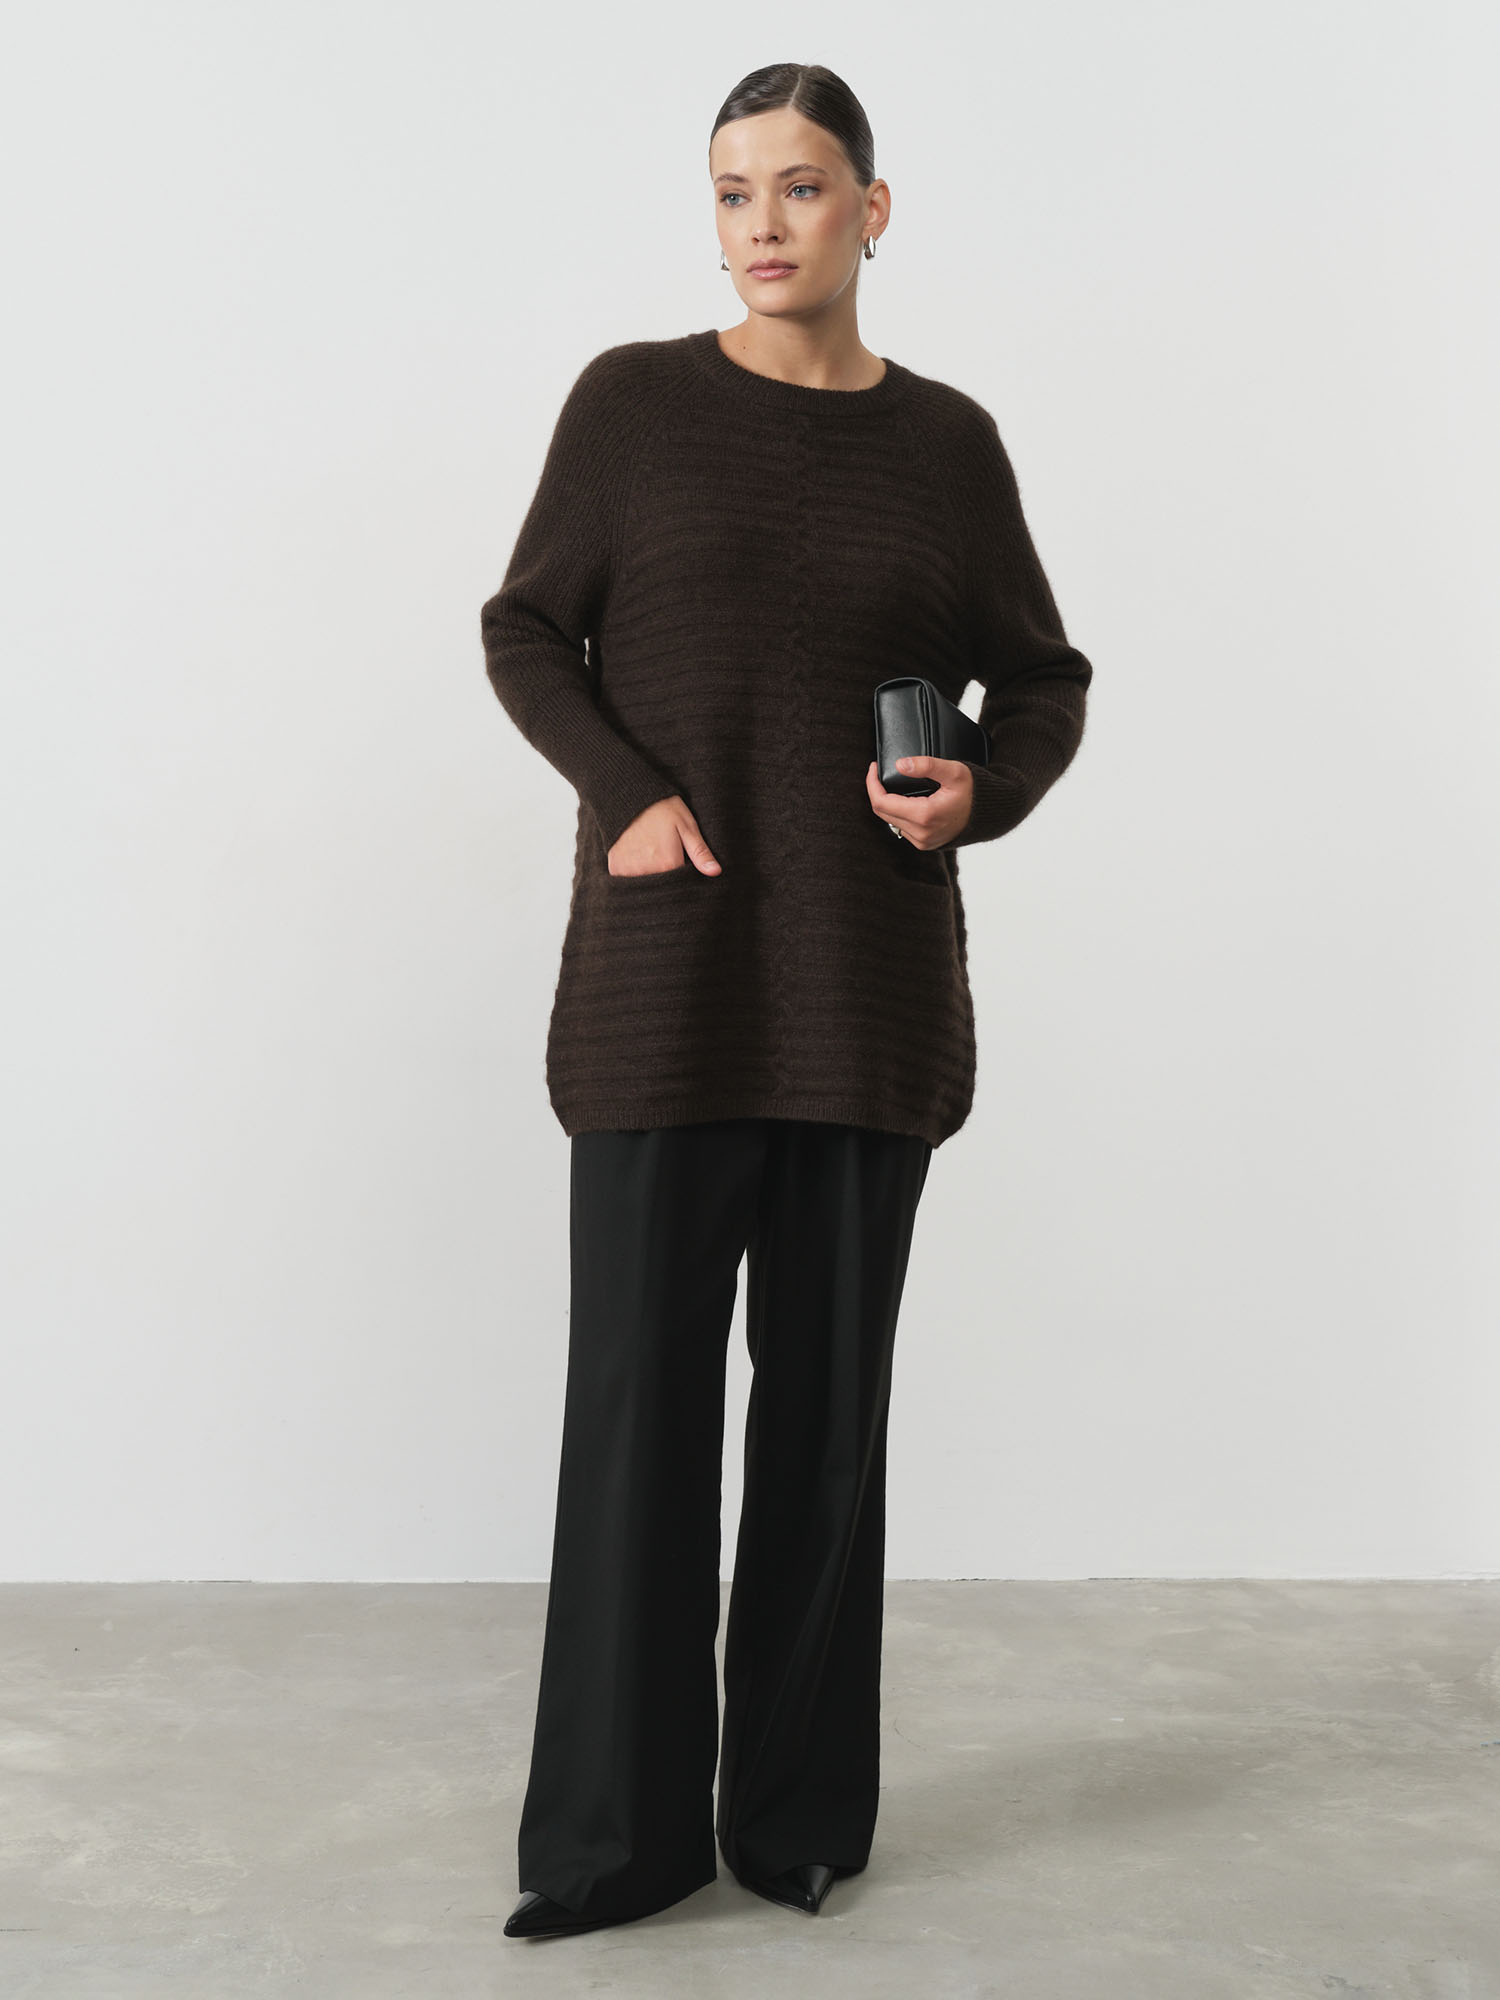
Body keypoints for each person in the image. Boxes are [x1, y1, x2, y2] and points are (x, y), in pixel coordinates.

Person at [480, 62, 1093, 1941]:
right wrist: (625, 792)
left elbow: (1043, 678)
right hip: (666, 992)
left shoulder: (950, 446)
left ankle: (798, 1822)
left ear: (872, 212)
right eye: (734, 190)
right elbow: (526, 627)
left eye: (803, 187)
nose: (763, 223)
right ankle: (614, 1842)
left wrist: (980, 788)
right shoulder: (634, 404)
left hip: (861, 1000)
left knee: (825, 1429)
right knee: (638, 1419)